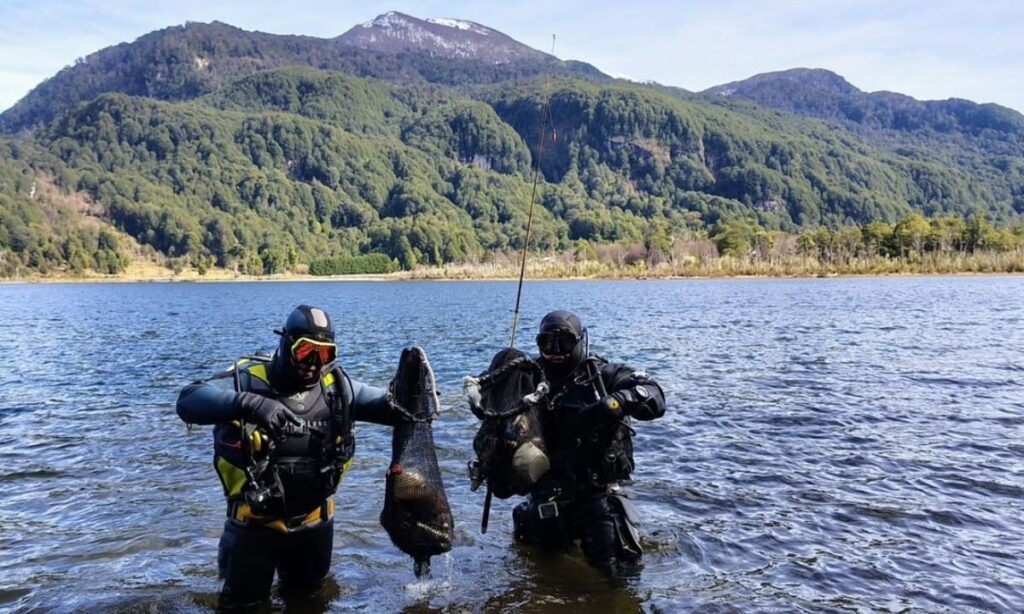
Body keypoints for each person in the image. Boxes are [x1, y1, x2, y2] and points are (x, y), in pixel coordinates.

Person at [176, 305, 402, 609]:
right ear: (285, 343)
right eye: (305, 350)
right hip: (253, 530)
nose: (313, 363)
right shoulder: (248, 380)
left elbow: (394, 409)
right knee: (244, 608)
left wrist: (417, 394)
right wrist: (249, 404)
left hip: (314, 528)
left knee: (310, 603)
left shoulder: (337, 388)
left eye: (324, 354)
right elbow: (188, 400)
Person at [511, 309, 666, 574]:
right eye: (547, 343)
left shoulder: (602, 375)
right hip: (546, 494)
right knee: (536, 572)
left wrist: (617, 402)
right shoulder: (529, 379)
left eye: (566, 342)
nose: (557, 351)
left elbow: (655, 396)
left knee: (617, 575)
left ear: (581, 341)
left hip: (595, 495)